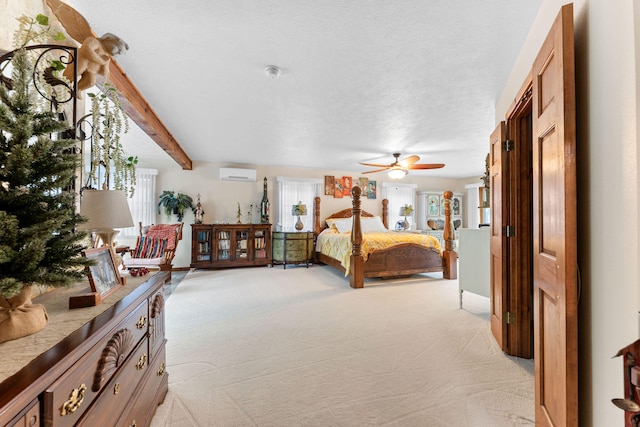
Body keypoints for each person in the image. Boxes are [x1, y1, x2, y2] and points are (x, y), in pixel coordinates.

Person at [64, 33, 129, 95]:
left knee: (91, 82)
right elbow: (86, 49)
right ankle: (65, 81)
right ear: (111, 41)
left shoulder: (106, 57)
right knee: (77, 70)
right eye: (118, 49)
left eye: (119, 53)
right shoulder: (95, 42)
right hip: (81, 59)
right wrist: (101, 61)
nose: (117, 53)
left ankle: (77, 90)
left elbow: (103, 73)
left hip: (90, 70)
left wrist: (105, 64)